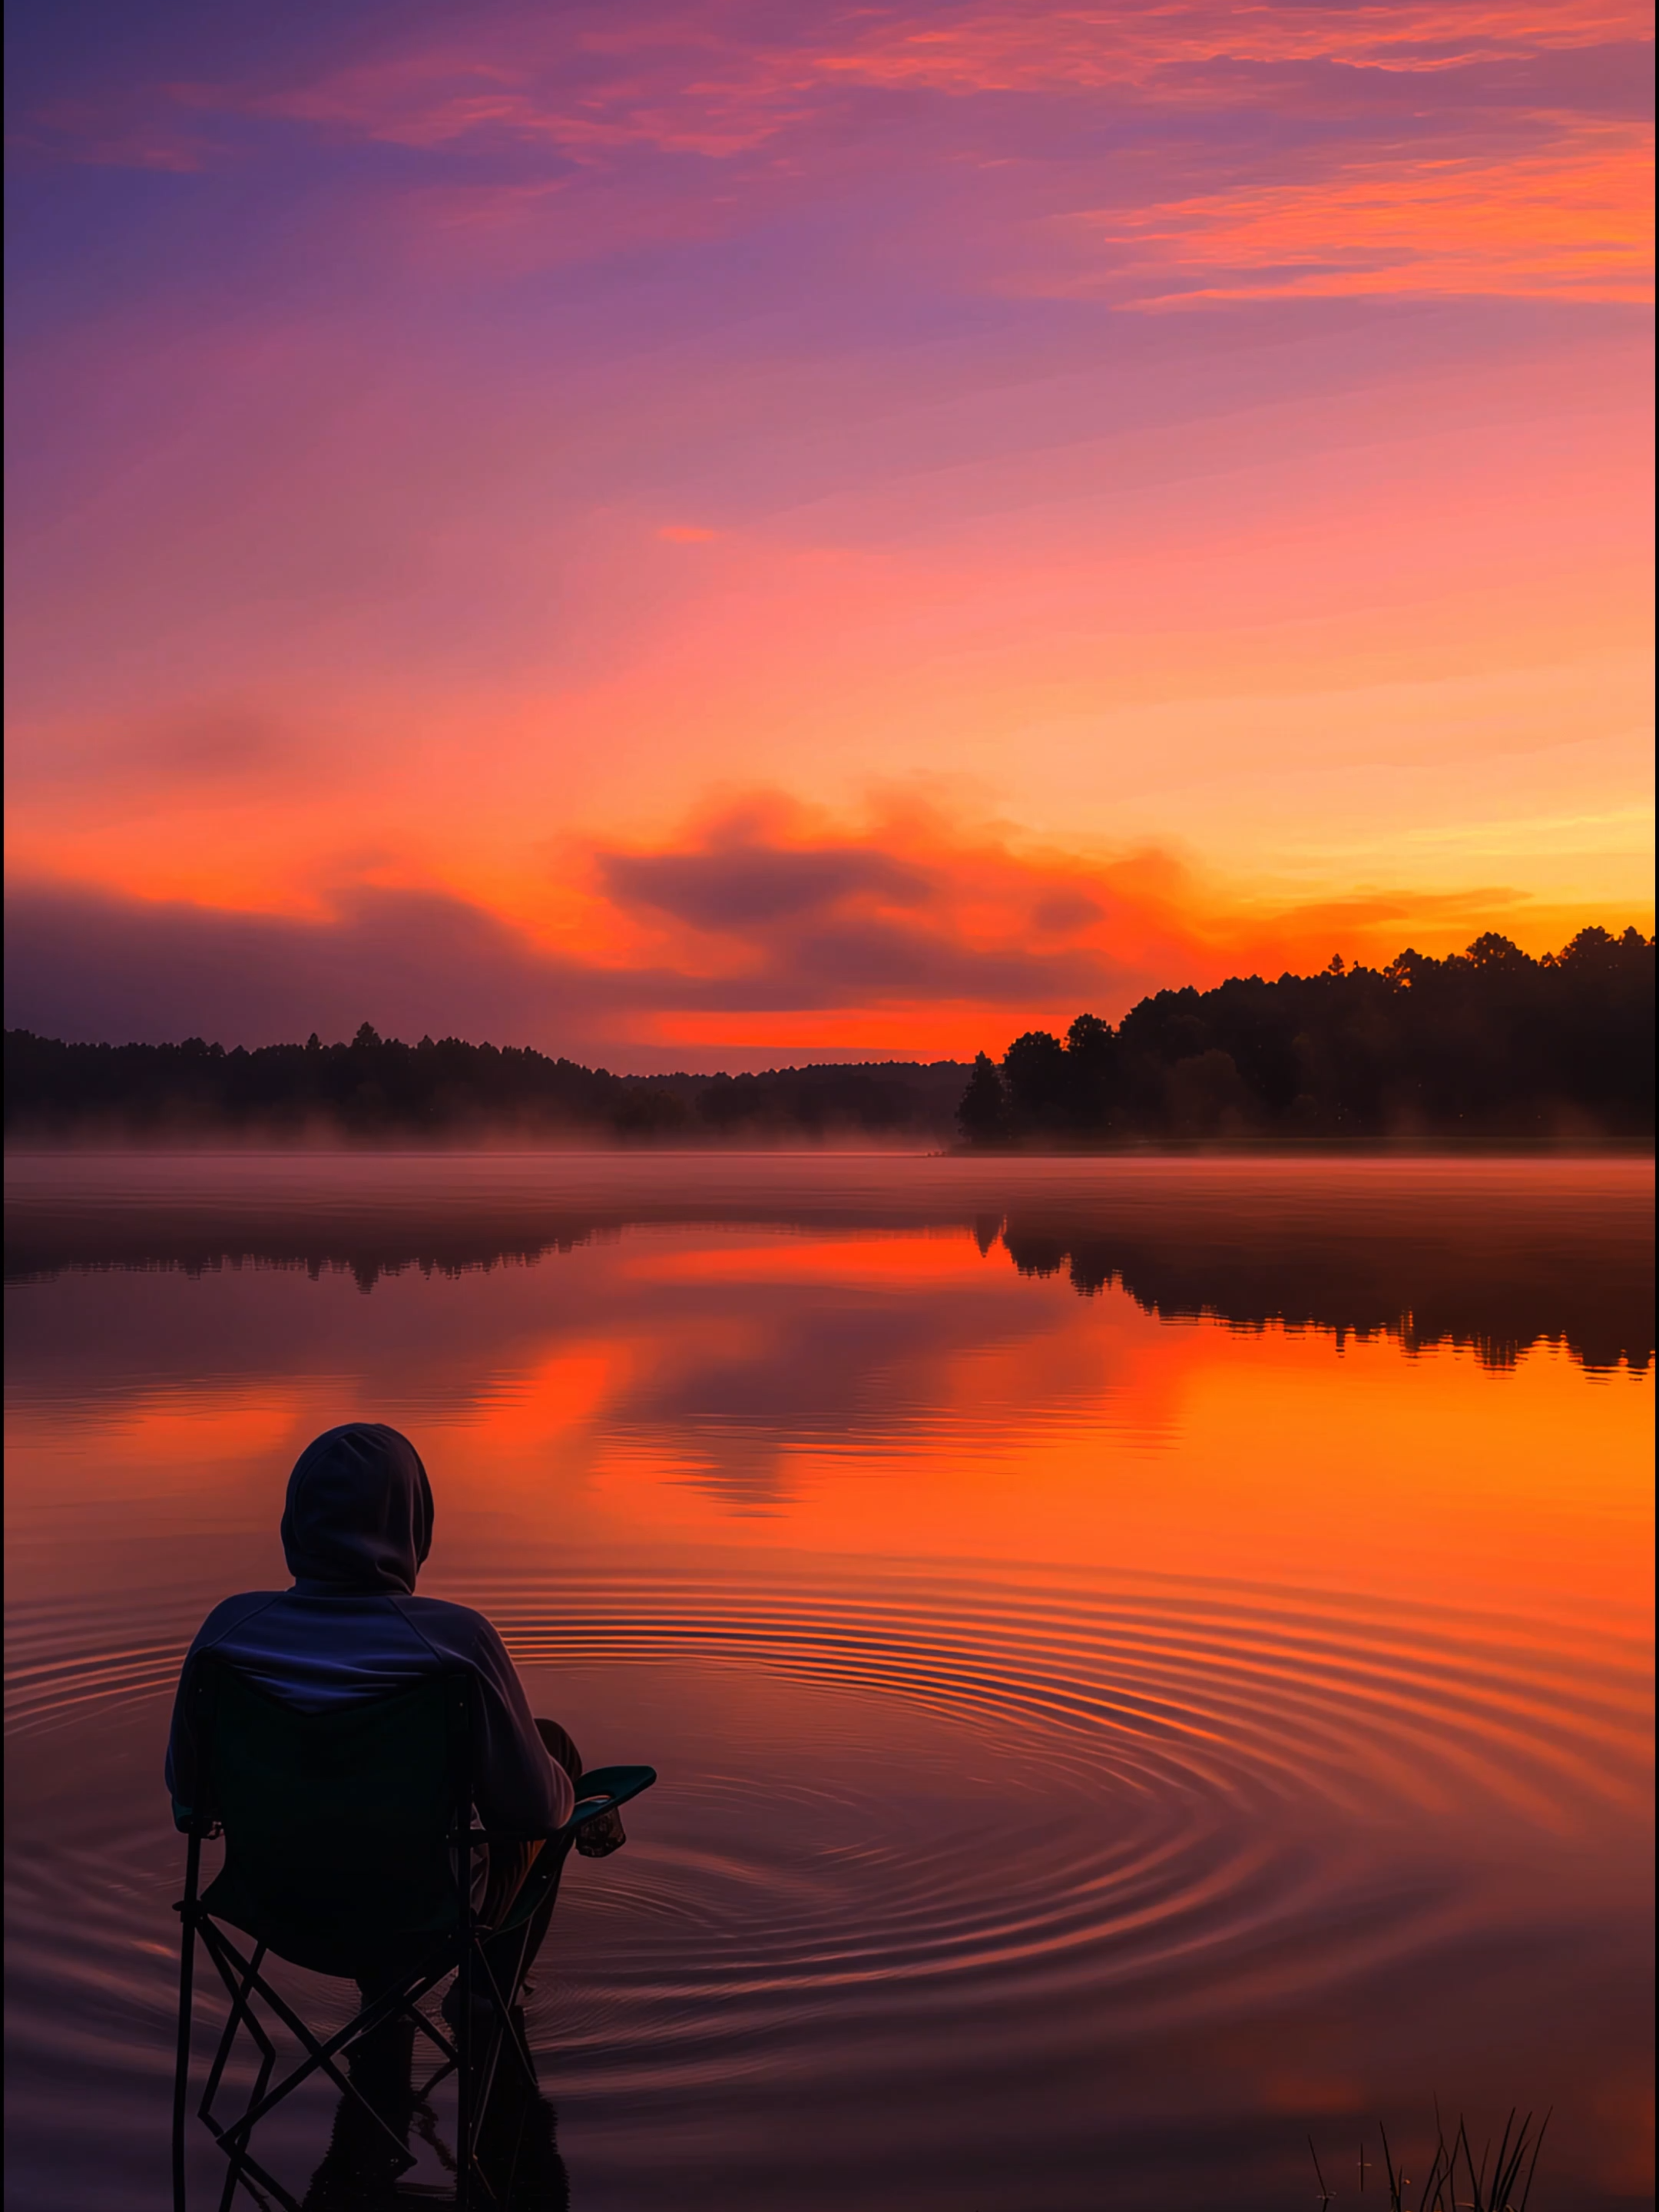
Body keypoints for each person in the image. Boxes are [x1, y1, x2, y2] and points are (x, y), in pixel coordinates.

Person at [164, 1422, 621, 2014]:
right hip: (422, 1916)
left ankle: (381, 2031)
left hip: (274, 1909)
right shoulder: (458, 1642)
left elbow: (191, 1798)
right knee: (552, 1752)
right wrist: (577, 1803)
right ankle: (484, 2000)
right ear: (415, 1524)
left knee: (357, 1823)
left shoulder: (227, 1634)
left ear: (294, 1521)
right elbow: (535, 1812)